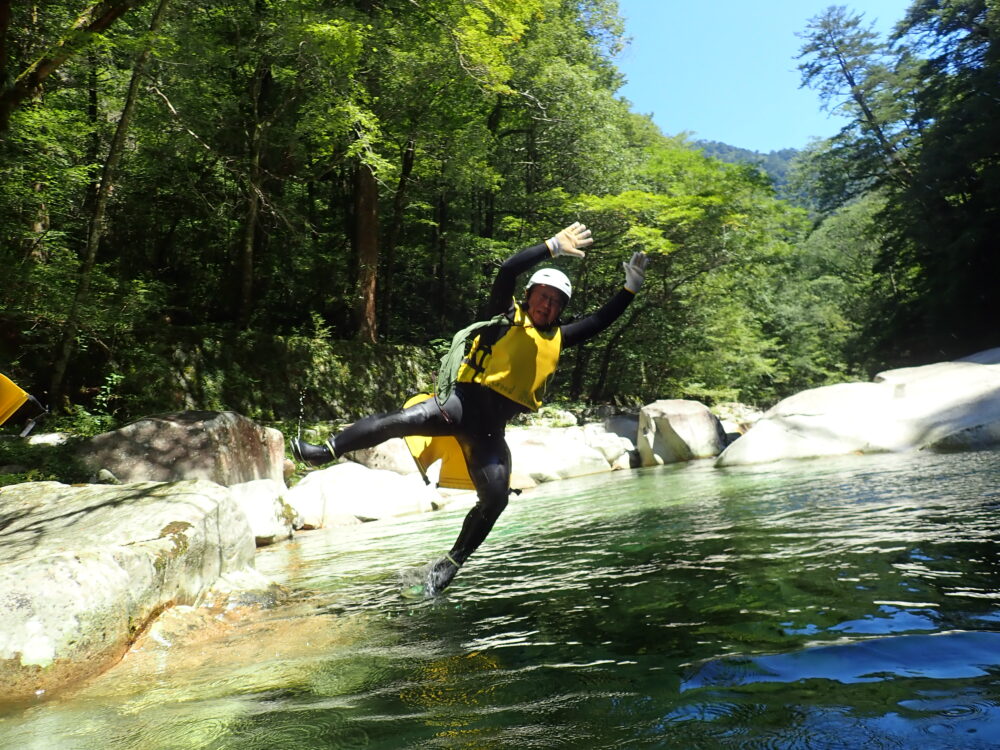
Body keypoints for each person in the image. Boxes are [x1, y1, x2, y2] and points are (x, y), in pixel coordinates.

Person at [291, 222, 648, 594]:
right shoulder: (505, 316)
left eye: (557, 301)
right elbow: (508, 269)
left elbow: (600, 321)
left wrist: (629, 289)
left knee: (495, 499)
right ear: (530, 295)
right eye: (543, 296)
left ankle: (450, 564)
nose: (548, 304)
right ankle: (324, 451)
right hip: (459, 405)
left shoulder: (559, 337)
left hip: (490, 431)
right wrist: (552, 246)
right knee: (400, 421)